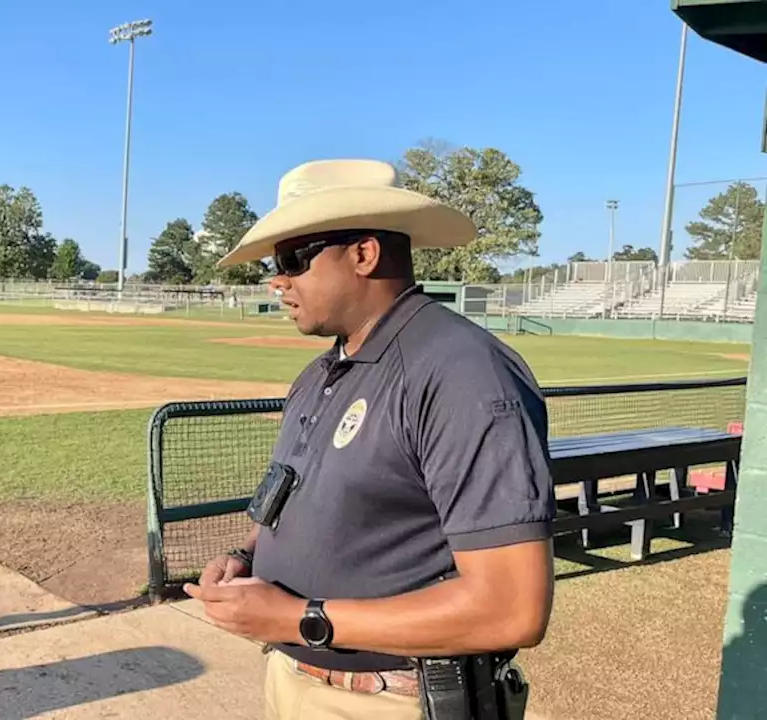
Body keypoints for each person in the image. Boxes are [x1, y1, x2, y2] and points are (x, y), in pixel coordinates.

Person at [183, 159, 556, 720]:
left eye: (292, 259)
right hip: (293, 680)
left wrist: (296, 618)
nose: (276, 280)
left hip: (393, 698)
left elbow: (511, 609)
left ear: (363, 254)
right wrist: (247, 559)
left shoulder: (462, 371)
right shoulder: (322, 374)